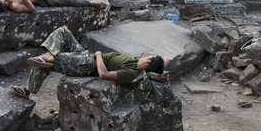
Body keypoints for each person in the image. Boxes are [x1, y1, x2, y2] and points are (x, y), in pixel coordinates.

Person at [10, 26, 171, 98]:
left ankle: (29, 88)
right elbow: (167, 60)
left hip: (87, 65)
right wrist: (160, 69)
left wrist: (99, 56)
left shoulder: (131, 73)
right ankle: (48, 55)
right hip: (87, 56)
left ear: (148, 61)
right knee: (63, 32)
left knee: (48, 62)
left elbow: (104, 74)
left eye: (148, 57)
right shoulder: (138, 64)